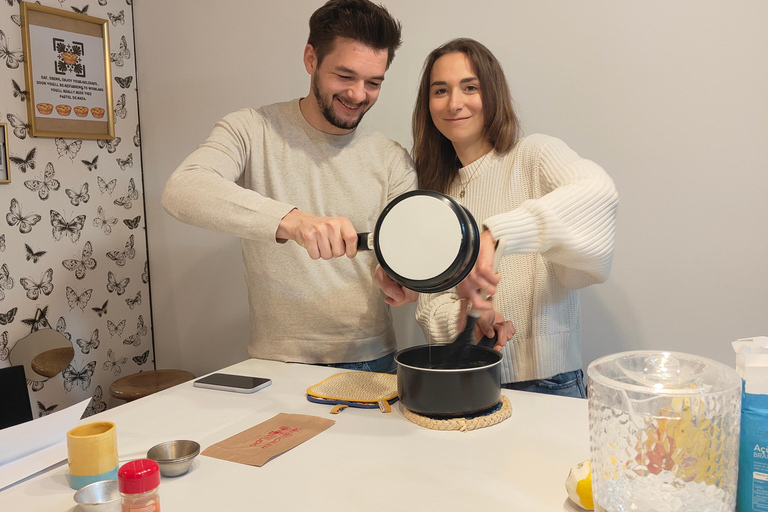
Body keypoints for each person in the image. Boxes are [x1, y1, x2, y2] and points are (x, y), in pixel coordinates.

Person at [161, 0, 416, 373]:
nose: (359, 95)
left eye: (373, 82)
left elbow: (404, 248)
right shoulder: (251, 129)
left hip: (372, 359)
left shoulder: (392, 158)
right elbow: (182, 189)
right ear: (311, 59)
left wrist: (398, 275)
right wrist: (293, 221)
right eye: (345, 76)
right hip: (276, 361)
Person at [407, 38, 618, 397]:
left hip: (551, 383)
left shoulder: (533, 156)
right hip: (469, 383)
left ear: (492, 94)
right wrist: (466, 322)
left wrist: (493, 236)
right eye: (440, 90)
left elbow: (598, 192)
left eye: (469, 88)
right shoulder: (435, 193)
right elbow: (430, 306)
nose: (454, 103)